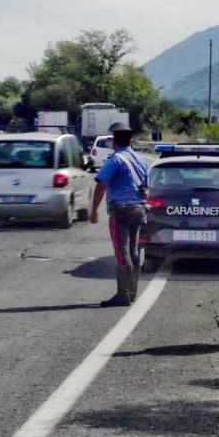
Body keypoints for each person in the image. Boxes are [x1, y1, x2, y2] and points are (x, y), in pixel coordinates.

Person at [89, 121, 149, 307]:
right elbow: (146, 186)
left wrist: (93, 211)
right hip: (139, 209)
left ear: (114, 140)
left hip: (121, 210)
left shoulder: (115, 160)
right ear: (130, 140)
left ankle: (122, 294)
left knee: (121, 250)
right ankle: (132, 292)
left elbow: (101, 186)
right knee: (134, 250)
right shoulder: (139, 159)